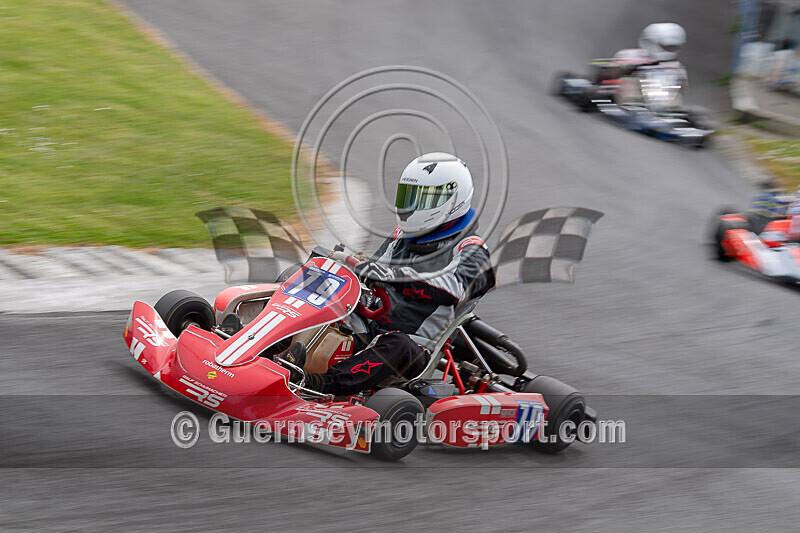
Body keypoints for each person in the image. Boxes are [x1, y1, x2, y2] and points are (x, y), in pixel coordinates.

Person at [279, 152, 495, 396]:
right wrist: (349, 266)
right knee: (305, 279)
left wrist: (394, 276)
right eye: (410, 196)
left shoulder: (472, 249)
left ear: (453, 200)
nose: (413, 206)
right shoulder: (402, 237)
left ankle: (317, 384)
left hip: (412, 346)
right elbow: (371, 271)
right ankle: (266, 349)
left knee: (396, 344)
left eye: (423, 199)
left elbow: (455, 289)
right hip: (370, 321)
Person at [607, 23, 688, 109]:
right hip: (634, 95)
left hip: (659, 95)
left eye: (672, 47)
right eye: (665, 47)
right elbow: (613, 72)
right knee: (627, 79)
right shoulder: (629, 55)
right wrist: (629, 68)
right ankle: (632, 105)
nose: (669, 50)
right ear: (651, 42)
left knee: (676, 81)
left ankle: (671, 109)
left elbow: (682, 86)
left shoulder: (674, 65)